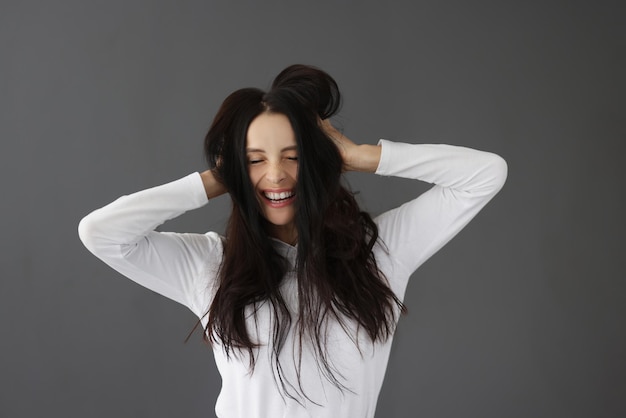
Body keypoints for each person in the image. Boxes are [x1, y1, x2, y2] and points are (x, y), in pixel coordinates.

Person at [78, 64, 507, 418]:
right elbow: (101, 233)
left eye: (293, 155)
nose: (276, 175)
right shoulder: (209, 265)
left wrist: (361, 155)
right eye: (256, 160)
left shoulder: (379, 253)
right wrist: (217, 180)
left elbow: (485, 175)